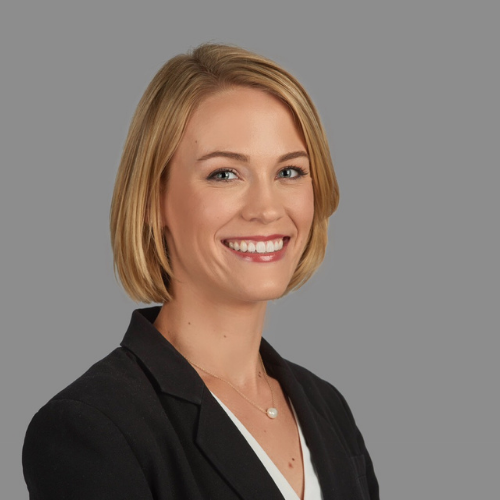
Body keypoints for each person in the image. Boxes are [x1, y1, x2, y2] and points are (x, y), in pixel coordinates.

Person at [22, 43, 379, 500]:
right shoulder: (92, 427)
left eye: (289, 172)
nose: (267, 209)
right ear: (155, 202)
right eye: (225, 174)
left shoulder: (328, 409)